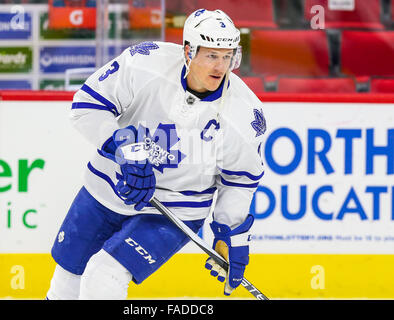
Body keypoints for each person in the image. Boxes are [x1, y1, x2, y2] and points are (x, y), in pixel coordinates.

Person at [46, 8, 266, 300]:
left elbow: (239, 180)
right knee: (67, 278)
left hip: (175, 209)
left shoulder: (244, 115)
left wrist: (230, 234)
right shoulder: (144, 62)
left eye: (228, 57)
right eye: (212, 55)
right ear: (189, 51)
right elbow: (86, 106)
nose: (220, 66)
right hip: (109, 187)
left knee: (104, 274)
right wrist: (120, 143)